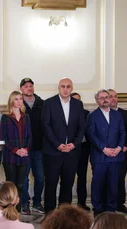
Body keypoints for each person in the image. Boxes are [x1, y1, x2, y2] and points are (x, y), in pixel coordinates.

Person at [41, 78, 85, 213]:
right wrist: (57, 144)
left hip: (71, 152)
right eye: (62, 86)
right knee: (51, 183)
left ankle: (64, 214)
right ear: (58, 88)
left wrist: (74, 144)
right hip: (53, 152)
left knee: (67, 184)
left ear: (71, 88)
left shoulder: (78, 104)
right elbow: (46, 126)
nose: (65, 89)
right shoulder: (49, 103)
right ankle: (49, 214)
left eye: (68, 86)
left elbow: (82, 127)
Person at [87, 89, 125, 216]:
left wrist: (119, 148)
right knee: (98, 183)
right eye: (101, 97)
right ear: (97, 100)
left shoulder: (117, 115)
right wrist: (104, 149)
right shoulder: (92, 116)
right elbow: (91, 135)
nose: (105, 99)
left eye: (106, 97)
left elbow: (122, 132)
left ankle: (111, 208)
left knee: (113, 184)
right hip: (99, 156)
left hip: (115, 156)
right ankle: (97, 208)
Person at [0, 91, 31, 212]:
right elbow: (3, 138)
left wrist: (26, 149)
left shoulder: (26, 117)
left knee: (21, 186)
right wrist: (16, 150)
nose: (19, 101)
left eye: (20, 99)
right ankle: (9, 212)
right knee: (11, 186)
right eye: (16, 99)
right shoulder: (5, 117)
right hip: (10, 157)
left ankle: (17, 212)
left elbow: (29, 137)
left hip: (24, 157)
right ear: (11, 101)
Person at [19, 78, 45, 215]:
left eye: (31, 86)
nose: (29, 88)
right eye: (26, 86)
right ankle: (24, 203)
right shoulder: (18, 103)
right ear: (21, 89)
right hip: (24, 148)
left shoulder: (42, 103)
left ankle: (37, 202)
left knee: (40, 177)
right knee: (24, 178)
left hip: (39, 147)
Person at [108, 89, 127, 214]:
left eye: (115, 96)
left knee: (119, 179)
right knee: (106, 179)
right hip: (106, 153)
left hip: (122, 153)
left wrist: (125, 147)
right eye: (110, 96)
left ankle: (119, 203)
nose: (113, 99)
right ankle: (106, 203)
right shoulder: (102, 113)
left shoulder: (124, 113)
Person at [71, 92, 92, 211]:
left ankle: (82, 202)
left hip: (83, 148)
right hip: (69, 148)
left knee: (82, 176)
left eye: (79, 100)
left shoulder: (86, 114)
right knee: (67, 176)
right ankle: (65, 204)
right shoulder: (65, 113)